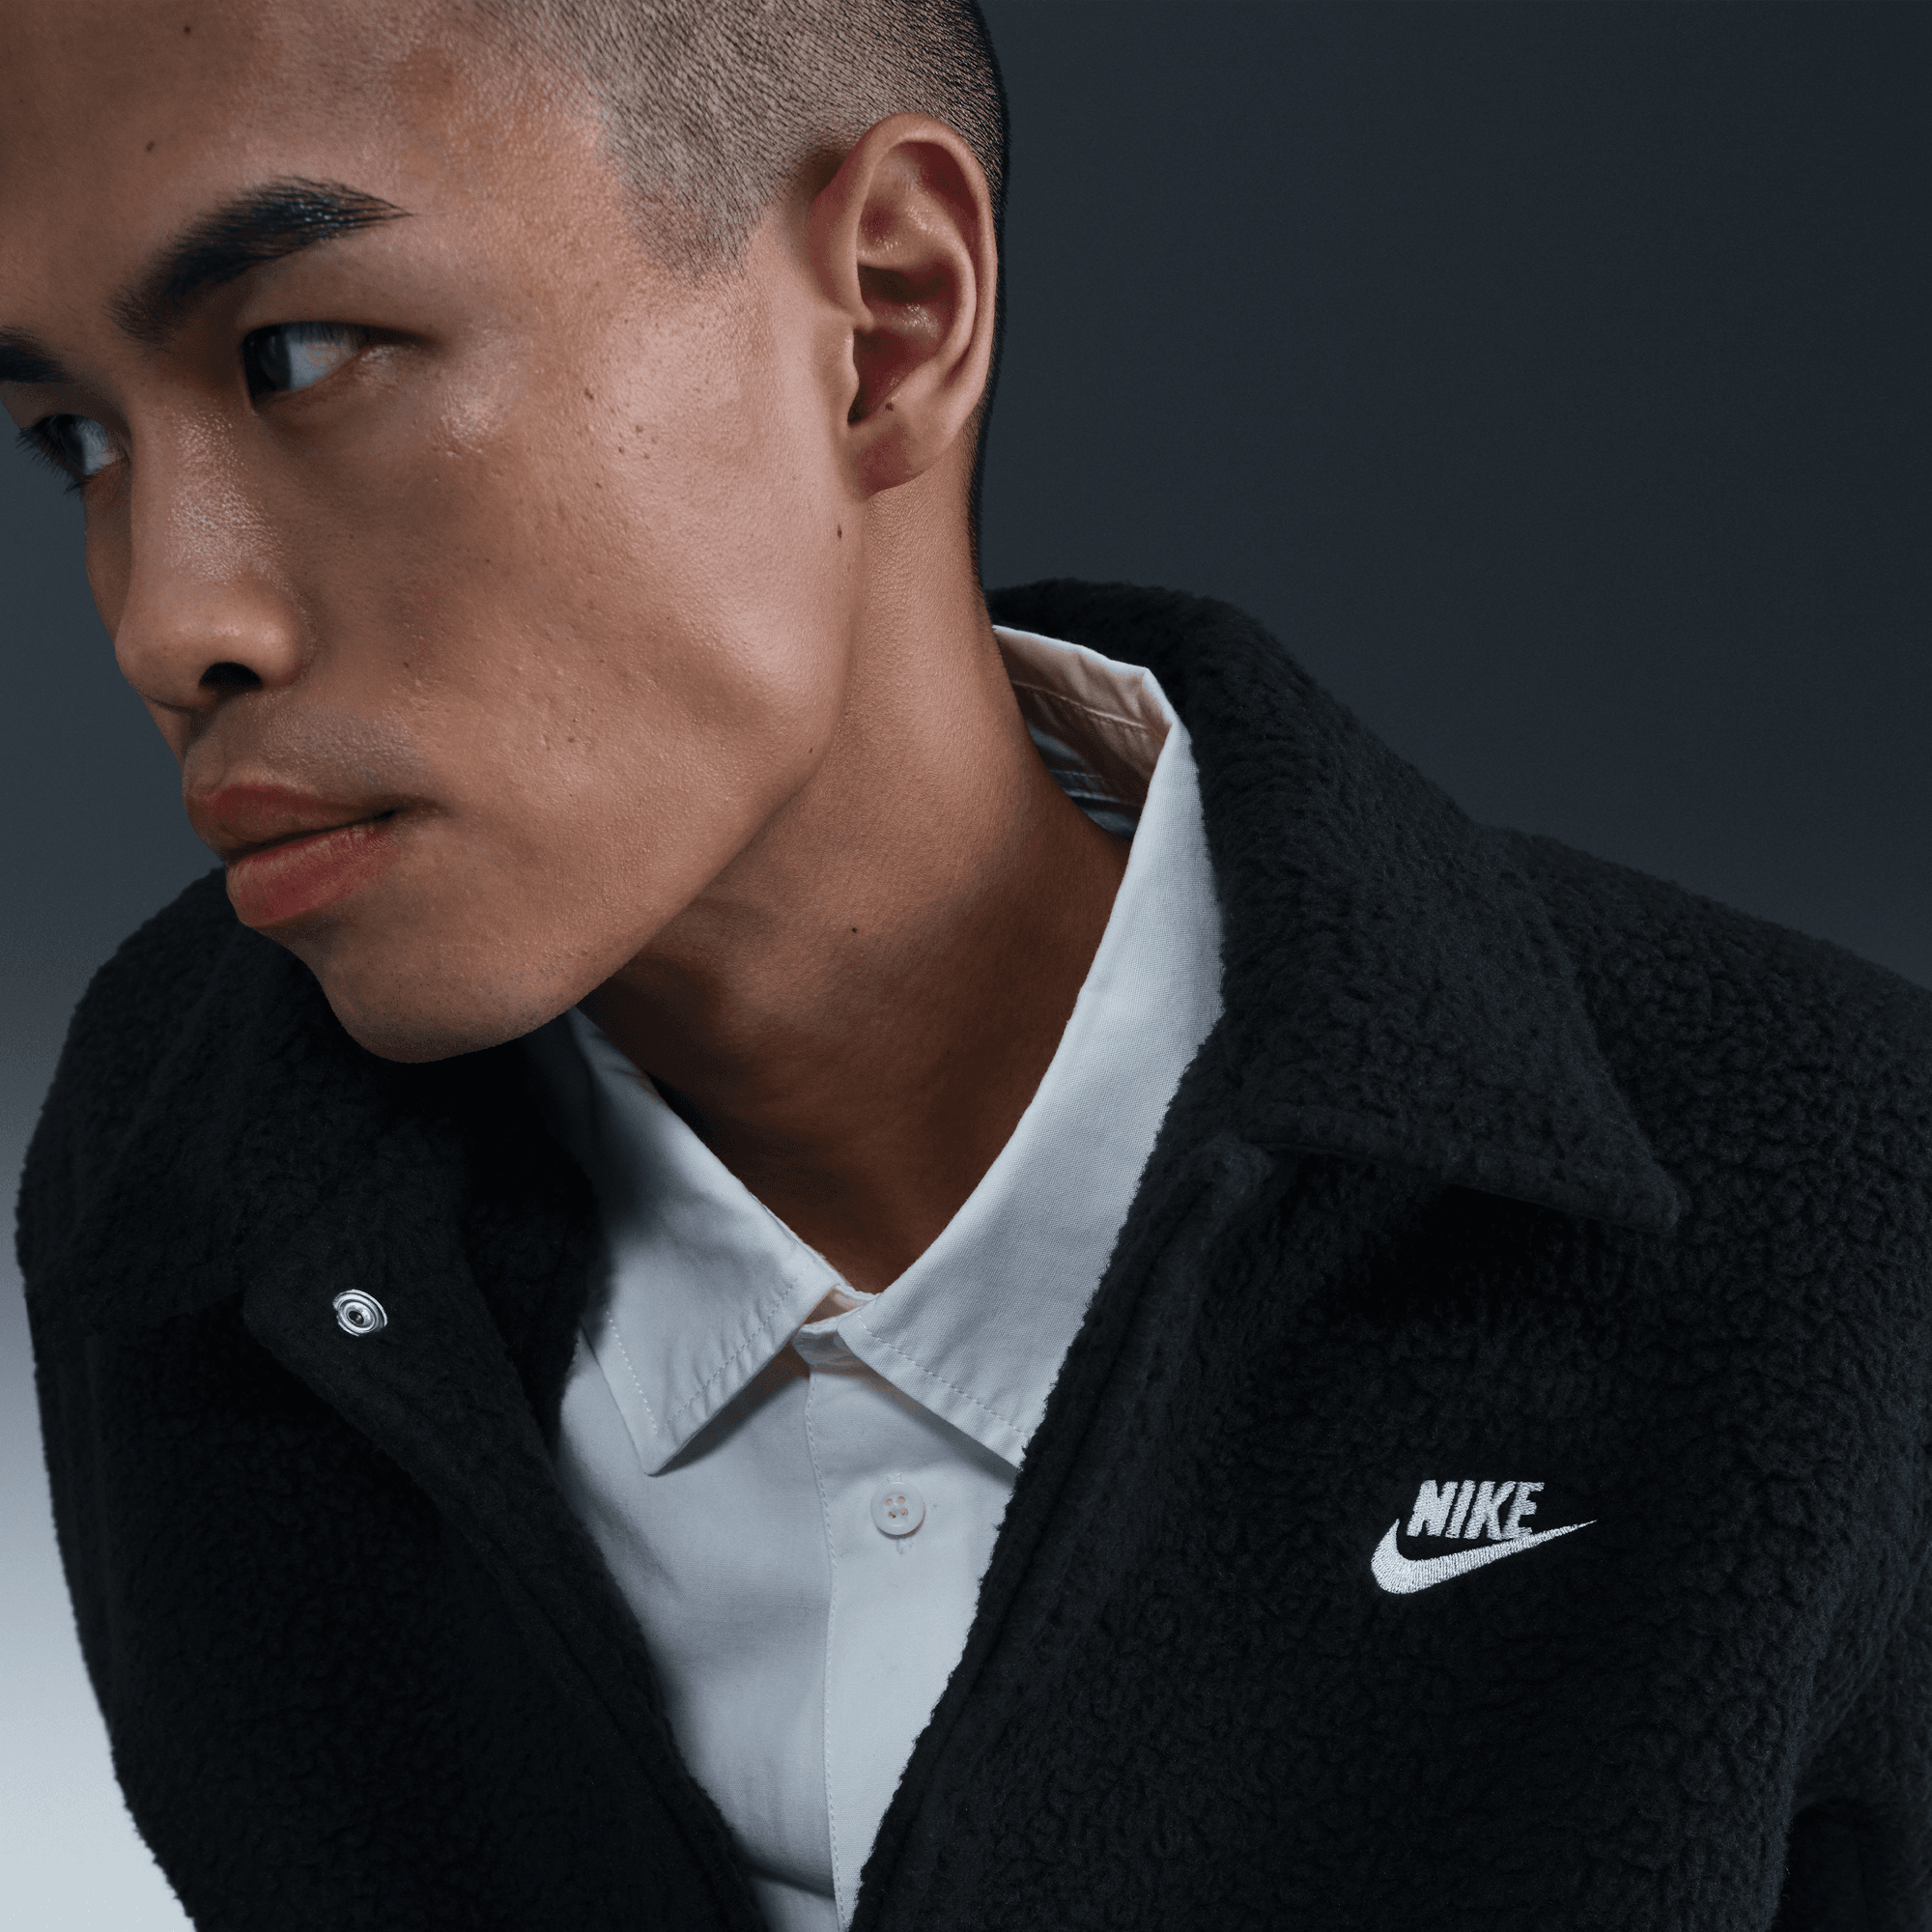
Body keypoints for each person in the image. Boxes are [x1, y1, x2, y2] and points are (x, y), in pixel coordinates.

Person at [8, 1, 1929, 1926]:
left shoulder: (1835, 1205)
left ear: (886, 318)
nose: (164, 621)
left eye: (302, 355)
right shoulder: (184, 1153)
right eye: (70, 440)